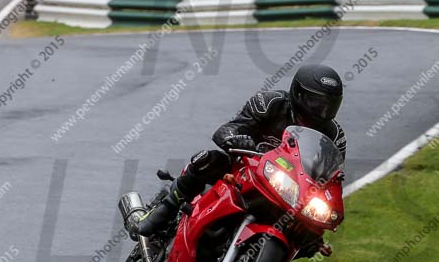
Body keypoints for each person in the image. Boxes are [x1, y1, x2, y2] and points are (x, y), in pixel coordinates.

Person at [136, 64, 347, 239]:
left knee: (312, 234)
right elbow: (228, 129)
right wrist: (236, 139)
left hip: (289, 191)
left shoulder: (335, 136)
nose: (322, 112)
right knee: (207, 159)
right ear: (298, 94)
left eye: (330, 105)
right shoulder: (271, 103)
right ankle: (164, 209)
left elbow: (333, 179)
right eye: (316, 103)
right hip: (242, 171)